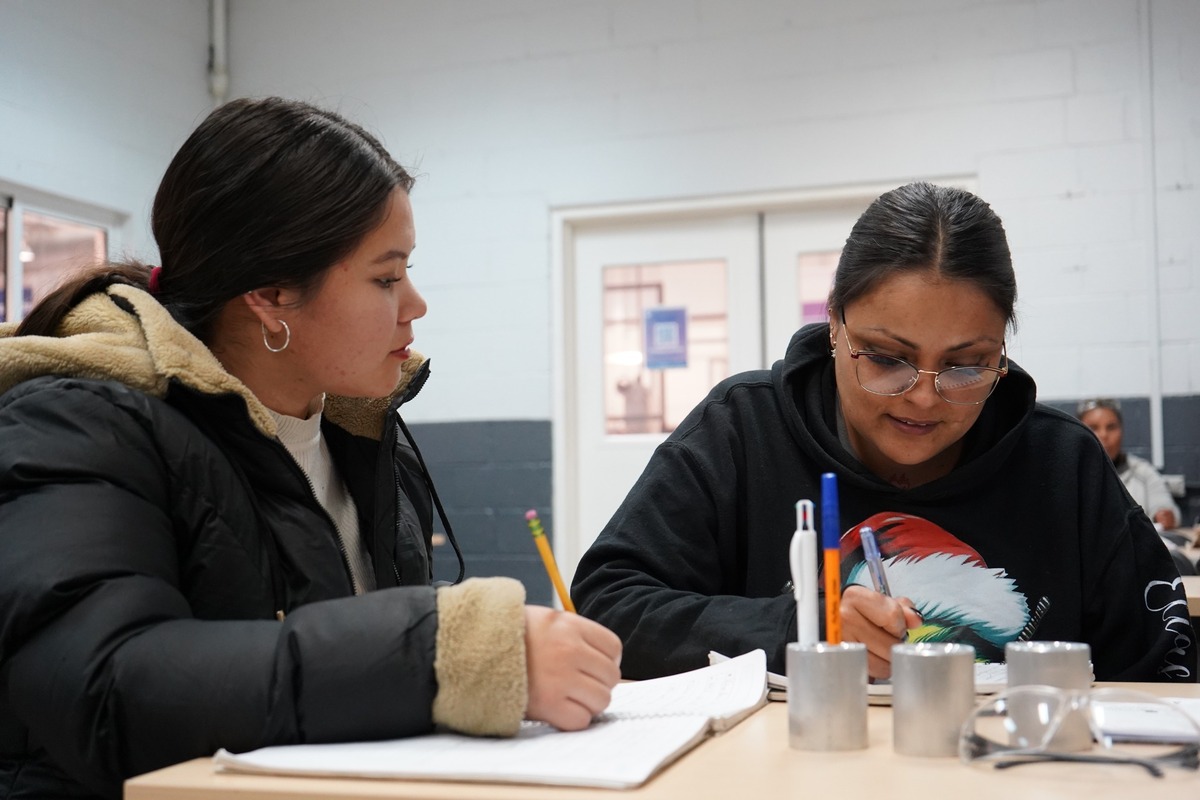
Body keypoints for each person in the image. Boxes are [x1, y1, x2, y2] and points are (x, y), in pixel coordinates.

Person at [0, 97, 621, 799]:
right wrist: (448, 651)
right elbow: (108, 686)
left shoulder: (359, 436)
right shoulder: (77, 426)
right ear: (270, 295)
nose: (415, 304)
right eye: (386, 278)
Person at [572, 182, 1194, 686]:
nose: (923, 396)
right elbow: (609, 604)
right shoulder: (742, 430)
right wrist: (799, 628)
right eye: (886, 358)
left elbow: (1160, 670)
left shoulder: (1062, 465)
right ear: (834, 323)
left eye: (966, 365)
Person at [1077, 398, 1182, 530]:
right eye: (1093, 428)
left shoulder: (1142, 472)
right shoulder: (1070, 475)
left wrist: (1165, 515)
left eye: (1111, 427)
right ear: (1079, 433)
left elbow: (1165, 507)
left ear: (1121, 431)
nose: (1104, 435)